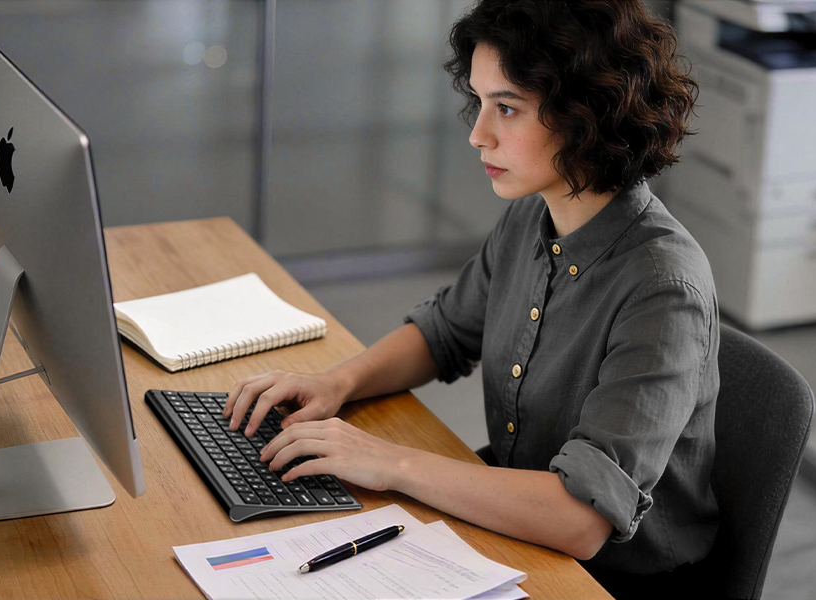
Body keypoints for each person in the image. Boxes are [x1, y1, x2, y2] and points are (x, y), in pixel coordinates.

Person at [223, 0, 714, 595]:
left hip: (608, 578)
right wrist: (337, 383)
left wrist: (391, 462)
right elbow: (444, 333)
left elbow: (581, 520)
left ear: (590, 115)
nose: (478, 134)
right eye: (479, 103)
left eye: (506, 108)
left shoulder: (663, 287)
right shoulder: (533, 217)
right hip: (512, 528)